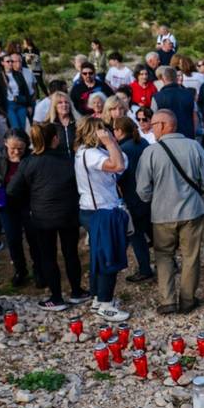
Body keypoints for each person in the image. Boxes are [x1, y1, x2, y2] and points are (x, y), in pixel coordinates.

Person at [136, 109, 204, 315]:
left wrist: (156, 198)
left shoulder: (150, 152)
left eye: (152, 125)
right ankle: (187, 299)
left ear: (162, 125)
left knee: (163, 256)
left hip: (162, 214)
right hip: (192, 211)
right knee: (191, 256)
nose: (151, 129)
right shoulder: (194, 146)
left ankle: (168, 300)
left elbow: (142, 190)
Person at [7, 123, 88, 311]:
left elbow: (12, 190)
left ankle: (57, 297)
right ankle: (76, 291)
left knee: (48, 257)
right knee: (71, 254)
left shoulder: (29, 162)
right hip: (69, 214)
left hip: (42, 217)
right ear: (54, 139)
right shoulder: (69, 159)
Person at [74, 117, 130, 322]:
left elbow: (121, 163)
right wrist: (109, 142)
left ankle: (98, 298)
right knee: (109, 257)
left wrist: (110, 145)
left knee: (99, 256)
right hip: (101, 212)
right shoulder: (90, 154)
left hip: (94, 210)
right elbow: (118, 165)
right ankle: (105, 304)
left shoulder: (86, 152)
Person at [0, 129, 42, 287]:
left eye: (20, 148)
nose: (16, 152)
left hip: (28, 202)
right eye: (12, 148)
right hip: (6, 203)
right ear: (5, 144)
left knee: (34, 239)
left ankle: (38, 270)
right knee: (13, 239)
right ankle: (20, 270)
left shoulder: (32, 157)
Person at [111, 117, 153, 284]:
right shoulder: (142, 142)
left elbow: (119, 176)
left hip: (133, 196)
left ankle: (144, 269)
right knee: (153, 231)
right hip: (150, 193)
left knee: (137, 236)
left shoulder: (122, 149)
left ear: (120, 131)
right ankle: (170, 262)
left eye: (115, 129)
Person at [152, 66, 199, 140]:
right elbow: (195, 117)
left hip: (166, 139)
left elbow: (154, 120)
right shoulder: (189, 95)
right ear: (176, 78)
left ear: (163, 79)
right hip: (187, 137)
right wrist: (193, 134)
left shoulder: (157, 97)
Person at [0, 54, 31, 131]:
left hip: (20, 102)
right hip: (8, 104)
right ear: (2, 63)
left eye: (11, 61)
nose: (10, 63)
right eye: (8, 61)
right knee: (15, 127)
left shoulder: (18, 74)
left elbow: (25, 90)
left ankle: (22, 142)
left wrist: (29, 105)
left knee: (22, 127)